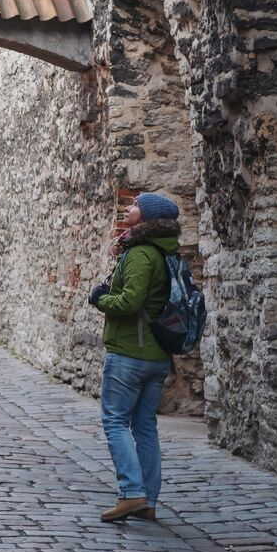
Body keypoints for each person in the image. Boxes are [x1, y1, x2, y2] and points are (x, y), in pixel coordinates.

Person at [88, 192, 181, 523]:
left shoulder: (142, 253)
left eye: (136, 205)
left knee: (115, 421)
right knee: (144, 426)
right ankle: (148, 500)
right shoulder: (166, 250)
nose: (129, 208)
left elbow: (130, 302)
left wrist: (100, 299)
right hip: (156, 355)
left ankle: (131, 493)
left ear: (147, 217)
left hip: (131, 353)